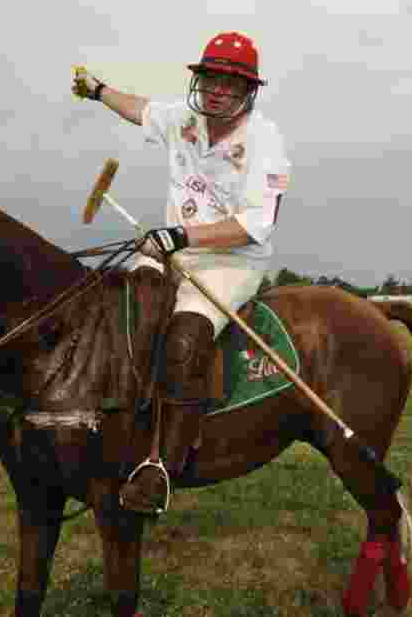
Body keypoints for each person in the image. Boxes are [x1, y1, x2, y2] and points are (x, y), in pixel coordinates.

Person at [73, 31, 291, 515]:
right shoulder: (184, 119)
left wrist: (183, 238)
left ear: (248, 91)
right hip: (174, 247)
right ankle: (106, 417)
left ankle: (162, 468)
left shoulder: (266, 141)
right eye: (210, 78)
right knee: (122, 307)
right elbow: (141, 110)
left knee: (184, 340)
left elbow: (258, 223)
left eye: (230, 83)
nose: (217, 90)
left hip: (231, 260)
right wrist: (97, 89)